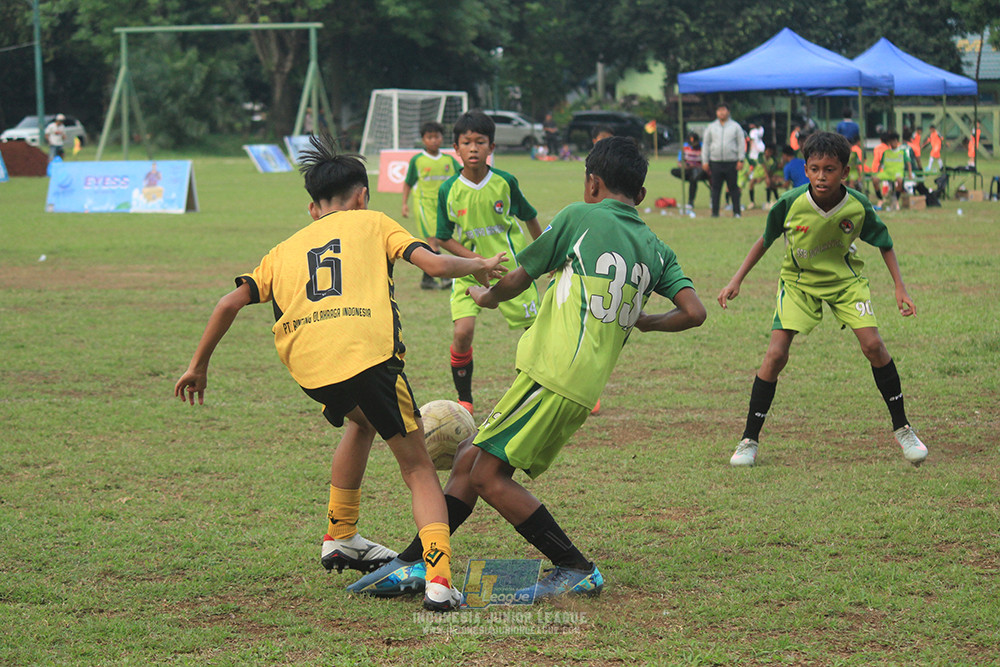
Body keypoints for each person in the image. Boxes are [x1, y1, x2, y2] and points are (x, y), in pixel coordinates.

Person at [347, 136, 706, 600]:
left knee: (485, 476)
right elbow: (694, 311)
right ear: (639, 194)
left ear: (591, 183)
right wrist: (648, 322)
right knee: (468, 459)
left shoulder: (580, 216)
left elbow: (519, 276)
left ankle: (574, 566)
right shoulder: (658, 249)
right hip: (567, 379)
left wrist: (485, 295)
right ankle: (418, 561)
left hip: (555, 374)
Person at [173, 133, 509, 613]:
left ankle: (340, 536)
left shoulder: (283, 249)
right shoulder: (372, 222)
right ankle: (439, 581)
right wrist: (476, 264)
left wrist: (197, 366)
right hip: (367, 356)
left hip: (311, 368)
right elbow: (432, 262)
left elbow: (229, 301)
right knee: (417, 467)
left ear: (314, 209)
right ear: (362, 197)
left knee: (360, 421)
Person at [717, 131, 927, 469]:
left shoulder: (857, 205)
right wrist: (736, 280)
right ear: (805, 168)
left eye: (829, 169)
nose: (821, 176)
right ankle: (748, 439)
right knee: (775, 354)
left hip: (845, 282)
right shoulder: (790, 202)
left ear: (845, 172)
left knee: (874, 346)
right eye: (814, 169)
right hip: (799, 283)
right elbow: (765, 239)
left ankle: (903, 429)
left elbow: (885, 242)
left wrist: (900, 288)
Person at [435, 111, 543, 416]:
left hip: (513, 272)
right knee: (462, 333)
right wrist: (479, 263)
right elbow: (444, 238)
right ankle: (465, 399)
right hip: (470, 273)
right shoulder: (448, 190)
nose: (473, 148)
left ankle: (554, 387)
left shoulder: (506, 182)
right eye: (466, 142)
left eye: (480, 142)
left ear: (491, 147)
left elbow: (529, 216)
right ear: (455, 148)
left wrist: (542, 254)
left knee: (536, 334)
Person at [402, 122, 463, 290]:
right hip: (424, 204)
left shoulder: (448, 160)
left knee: (436, 242)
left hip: (443, 206)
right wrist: (404, 204)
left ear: (442, 138)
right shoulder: (418, 160)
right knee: (434, 240)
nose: (434, 140)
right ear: (423, 140)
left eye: (437, 136)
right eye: (429, 137)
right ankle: (444, 278)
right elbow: (408, 183)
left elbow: (463, 176)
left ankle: (427, 280)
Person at [702, 103, 747, 218]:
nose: (721, 112)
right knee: (715, 188)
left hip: (731, 161)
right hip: (715, 161)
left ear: (728, 111)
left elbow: (741, 143)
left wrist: (741, 159)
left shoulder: (735, 126)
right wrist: (705, 161)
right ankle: (715, 212)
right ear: (716, 113)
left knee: (733, 188)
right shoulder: (711, 127)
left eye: (724, 110)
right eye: (719, 110)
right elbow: (706, 144)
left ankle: (737, 212)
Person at [873, 132, 912, 210]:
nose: (893, 143)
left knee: (900, 181)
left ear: (897, 141)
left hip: (898, 172)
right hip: (887, 172)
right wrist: (877, 173)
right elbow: (881, 164)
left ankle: (896, 199)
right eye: (891, 141)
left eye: (894, 140)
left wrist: (910, 173)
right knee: (875, 179)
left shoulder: (902, 152)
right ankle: (880, 198)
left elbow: (908, 163)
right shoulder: (886, 152)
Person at [670, 131, 709, 208]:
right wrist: (685, 165)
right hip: (688, 170)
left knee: (693, 177)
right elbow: (679, 162)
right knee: (674, 171)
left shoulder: (703, 148)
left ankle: (691, 202)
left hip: (699, 170)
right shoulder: (684, 147)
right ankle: (690, 178)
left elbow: (706, 163)